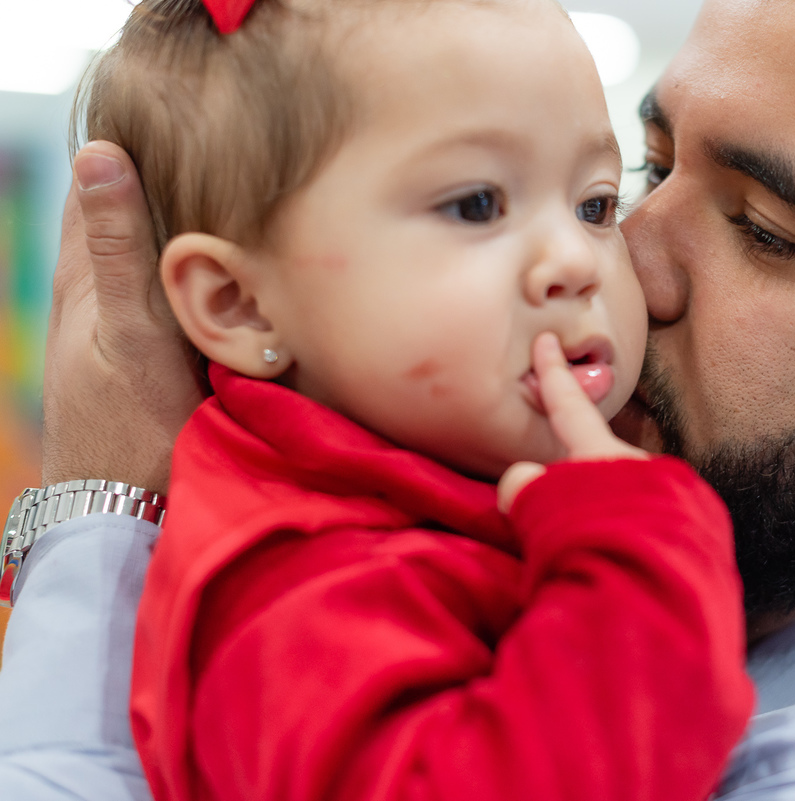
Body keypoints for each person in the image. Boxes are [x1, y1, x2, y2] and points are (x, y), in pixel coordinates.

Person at [3, 0, 795, 798]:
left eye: (764, 231)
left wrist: (100, 527)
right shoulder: (443, 516)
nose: (622, 258)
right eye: (646, 168)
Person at [45, 0, 756, 800]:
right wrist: (640, 553)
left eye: (594, 204)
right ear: (239, 304)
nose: (577, 261)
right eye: (475, 205)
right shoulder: (300, 584)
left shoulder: (424, 482)